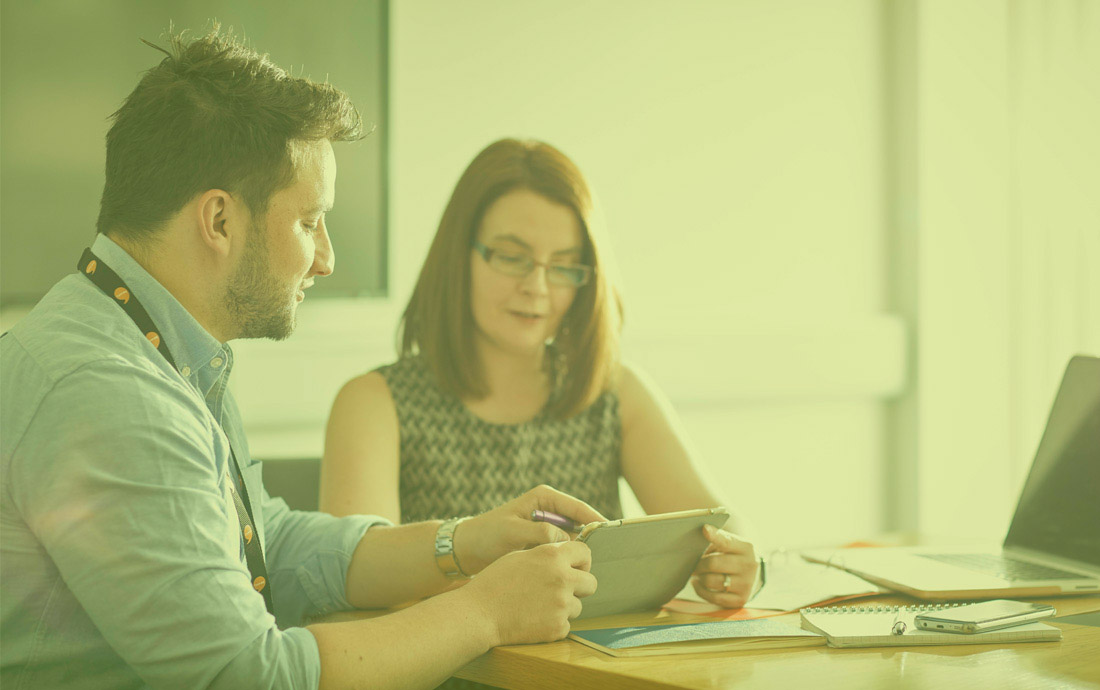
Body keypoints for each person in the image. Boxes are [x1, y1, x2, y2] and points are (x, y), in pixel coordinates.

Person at [0, 29, 604, 690]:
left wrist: (462, 543)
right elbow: (247, 675)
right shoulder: (111, 395)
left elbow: (269, 543)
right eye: (309, 221)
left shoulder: (151, 343)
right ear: (220, 221)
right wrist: (485, 612)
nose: (326, 258)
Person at [321, 138, 759, 611]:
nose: (537, 287)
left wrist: (743, 569)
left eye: (565, 266)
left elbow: (723, 533)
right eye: (512, 257)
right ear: (458, 256)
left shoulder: (615, 392)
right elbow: (354, 583)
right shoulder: (373, 402)